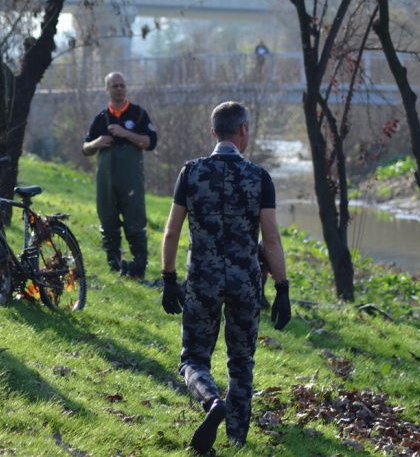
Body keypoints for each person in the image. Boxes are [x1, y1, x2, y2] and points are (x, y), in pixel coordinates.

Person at [160, 101, 291, 453]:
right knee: (241, 362)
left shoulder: (191, 172)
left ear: (213, 132)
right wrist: (282, 288)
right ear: (243, 130)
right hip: (245, 283)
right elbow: (272, 239)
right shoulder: (259, 177)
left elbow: (171, 232)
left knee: (193, 359)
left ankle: (211, 403)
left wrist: (169, 278)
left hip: (202, 280)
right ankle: (236, 440)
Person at [82, 72, 157, 282]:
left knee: (135, 222)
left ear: (126, 88)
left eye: (122, 85)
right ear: (107, 89)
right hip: (106, 181)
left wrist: (126, 134)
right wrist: (97, 143)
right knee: (108, 221)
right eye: (114, 86)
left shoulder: (138, 114)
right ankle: (114, 265)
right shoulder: (100, 118)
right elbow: (85, 148)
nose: (119, 89)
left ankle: (139, 265)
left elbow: (151, 143)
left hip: (131, 179)